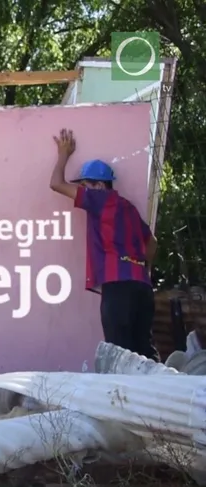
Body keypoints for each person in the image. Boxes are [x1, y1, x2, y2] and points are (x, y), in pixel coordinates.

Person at [49, 128, 160, 361]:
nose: (81, 190)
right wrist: (142, 268)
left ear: (99, 185)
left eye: (85, 185)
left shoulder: (99, 199)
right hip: (142, 287)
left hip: (118, 288)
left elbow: (56, 183)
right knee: (145, 355)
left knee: (120, 357)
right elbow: (152, 243)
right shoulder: (129, 207)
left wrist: (64, 155)